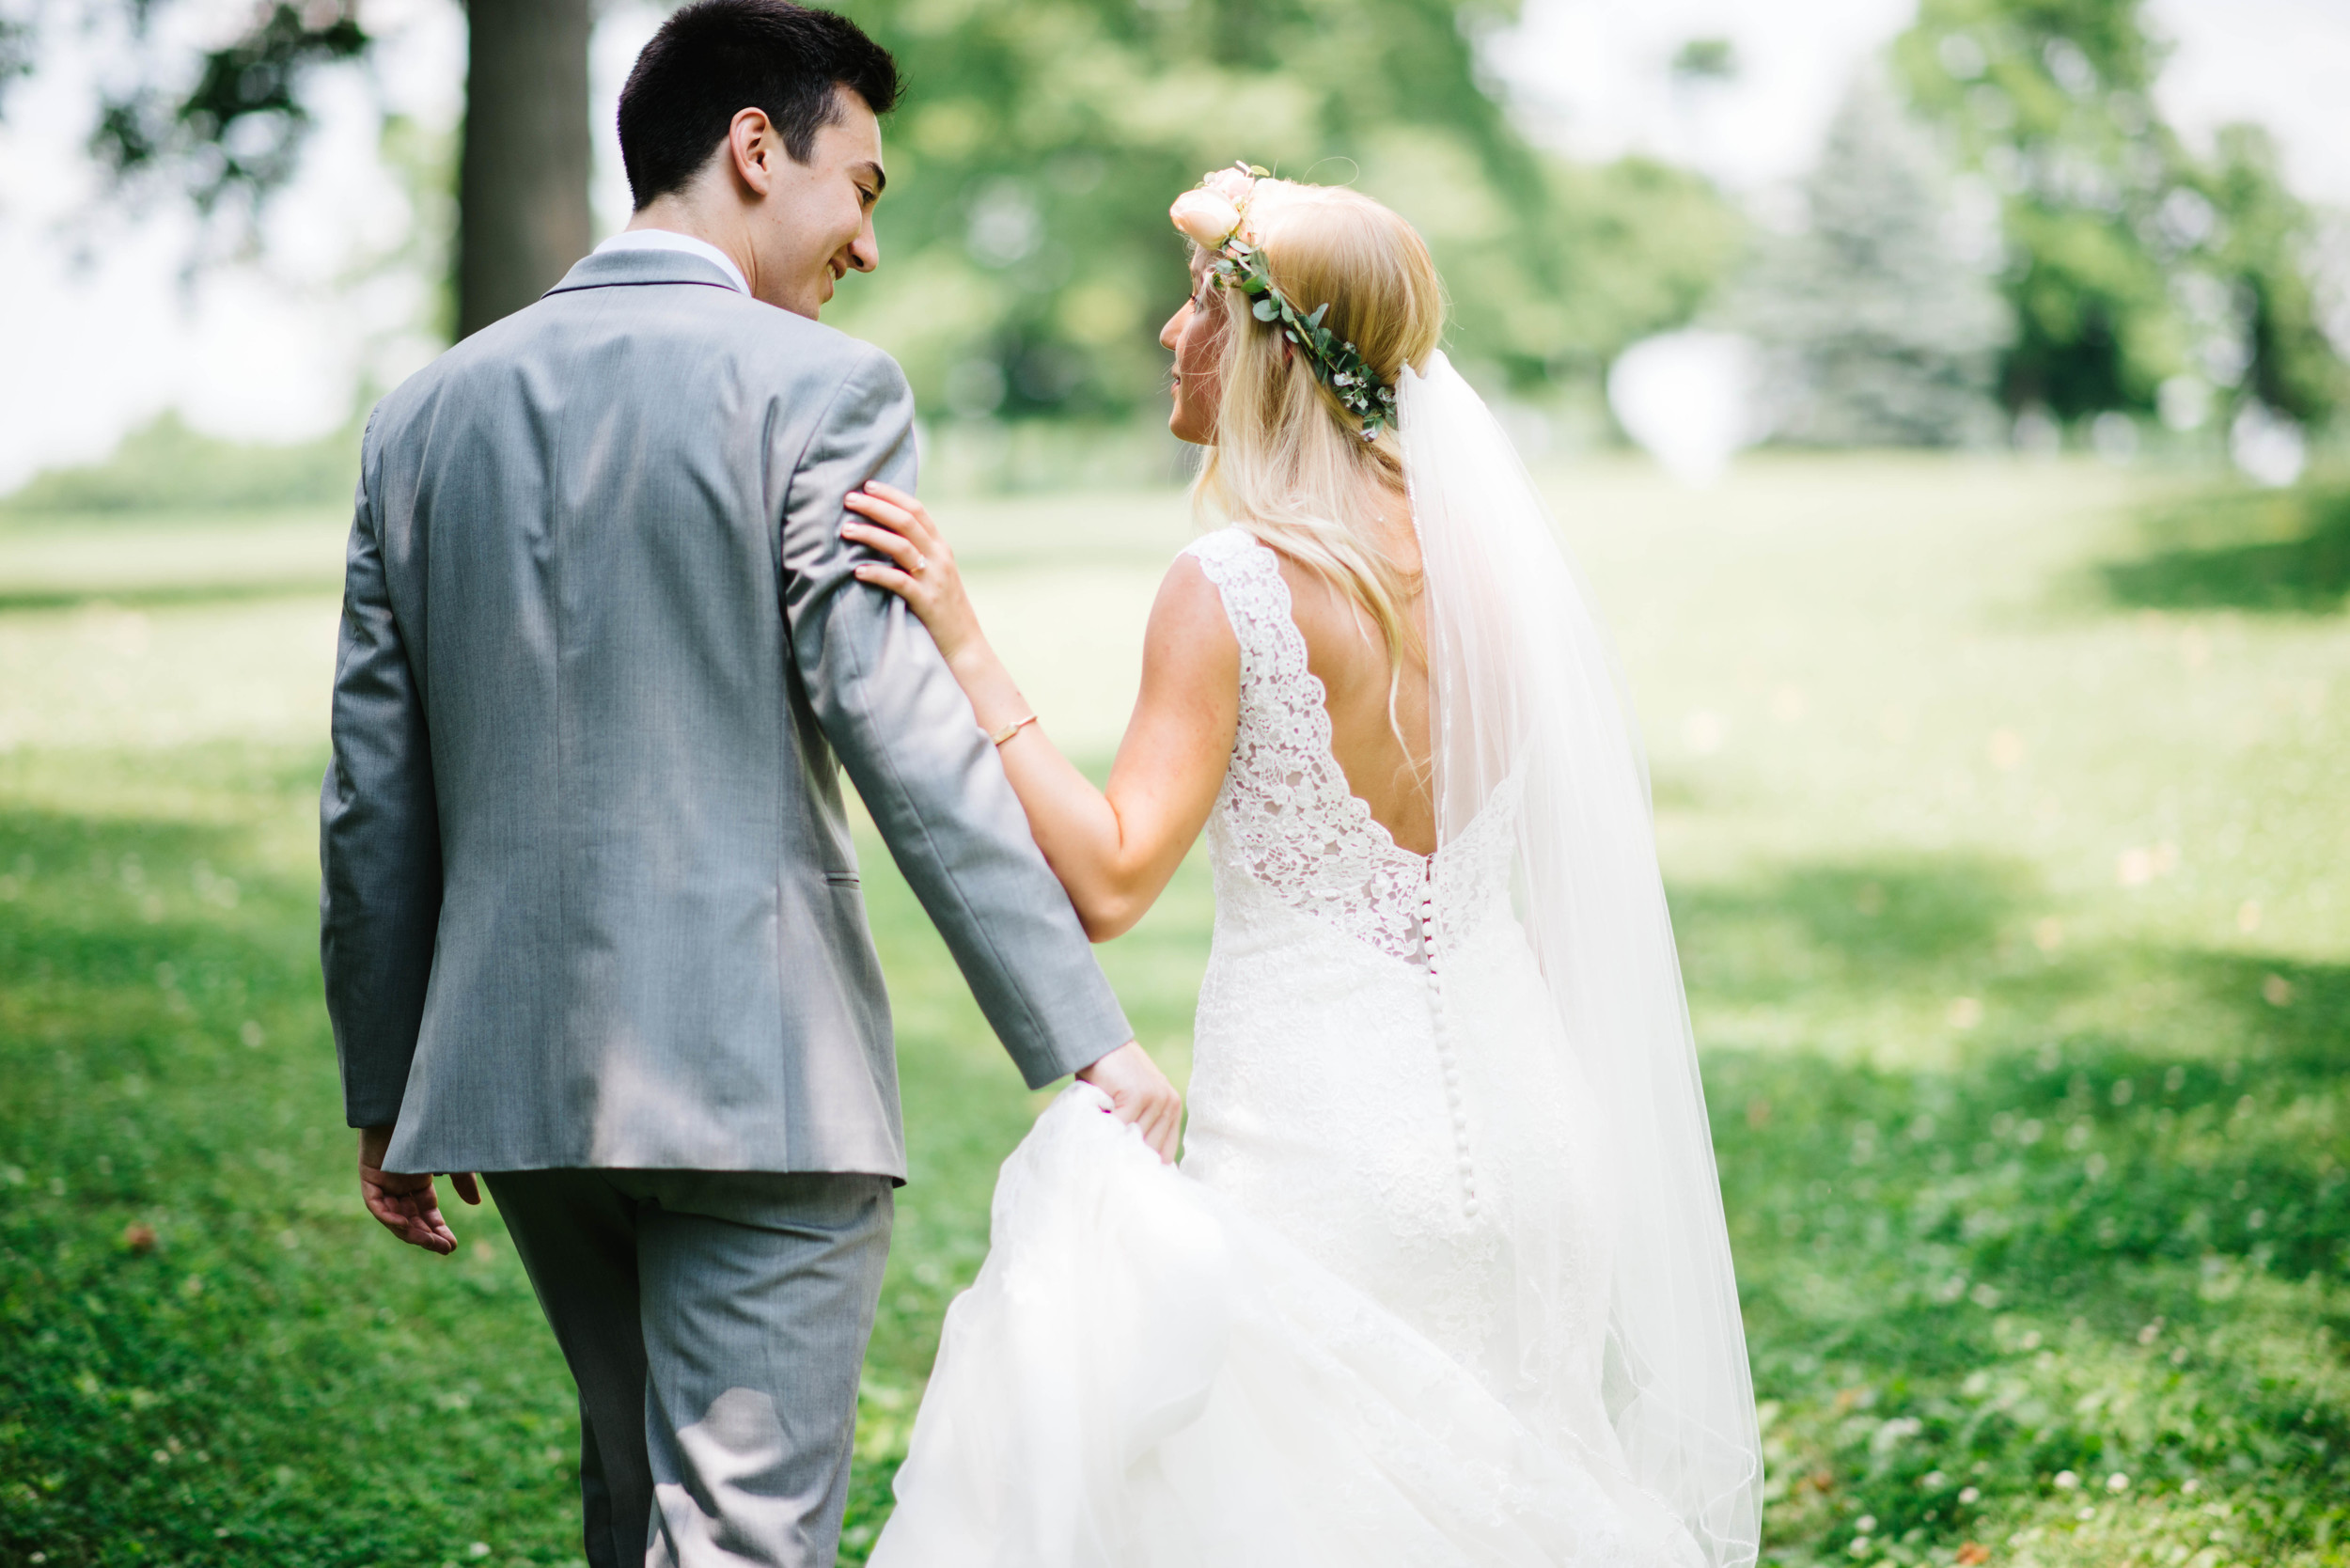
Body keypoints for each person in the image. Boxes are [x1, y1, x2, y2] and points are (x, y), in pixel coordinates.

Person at [317, 5, 1178, 1565]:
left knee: (633, 1502)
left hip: (517, 1089)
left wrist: (387, 1080)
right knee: (742, 1537)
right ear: (755, 148)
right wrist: (1084, 1037)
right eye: (862, 186)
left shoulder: (420, 418)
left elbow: (374, 791)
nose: (863, 241)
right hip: (758, 1086)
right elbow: (901, 730)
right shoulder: (824, 391)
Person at [841, 168, 1765, 1565]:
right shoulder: (1508, 579)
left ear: (1268, 346)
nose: (1169, 333)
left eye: (1198, 305)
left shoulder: (1232, 587)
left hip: (1324, 1145)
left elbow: (1108, 879)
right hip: (1535, 1140)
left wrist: (966, 645)